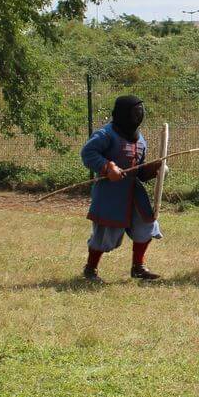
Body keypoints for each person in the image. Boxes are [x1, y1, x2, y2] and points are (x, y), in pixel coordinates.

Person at [78, 95, 162, 282]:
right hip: (110, 194)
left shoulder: (140, 140)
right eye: (135, 111)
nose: (139, 115)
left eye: (140, 111)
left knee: (146, 225)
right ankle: (90, 269)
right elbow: (88, 153)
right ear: (124, 113)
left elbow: (139, 171)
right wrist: (107, 167)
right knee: (104, 233)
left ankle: (138, 267)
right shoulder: (106, 134)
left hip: (135, 194)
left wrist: (154, 169)